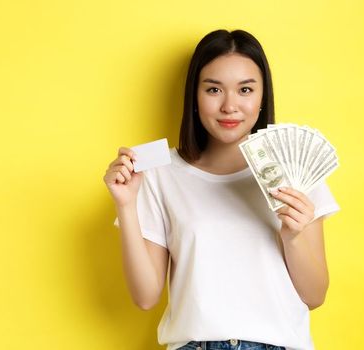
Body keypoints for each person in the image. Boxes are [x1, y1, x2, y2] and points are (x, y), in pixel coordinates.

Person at [104, 29, 340, 350]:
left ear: (262, 98)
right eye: (214, 89)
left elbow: (315, 296)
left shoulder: (294, 169)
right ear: (195, 97)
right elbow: (145, 297)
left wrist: (293, 235)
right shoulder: (160, 173)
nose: (230, 106)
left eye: (245, 89)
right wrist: (126, 205)